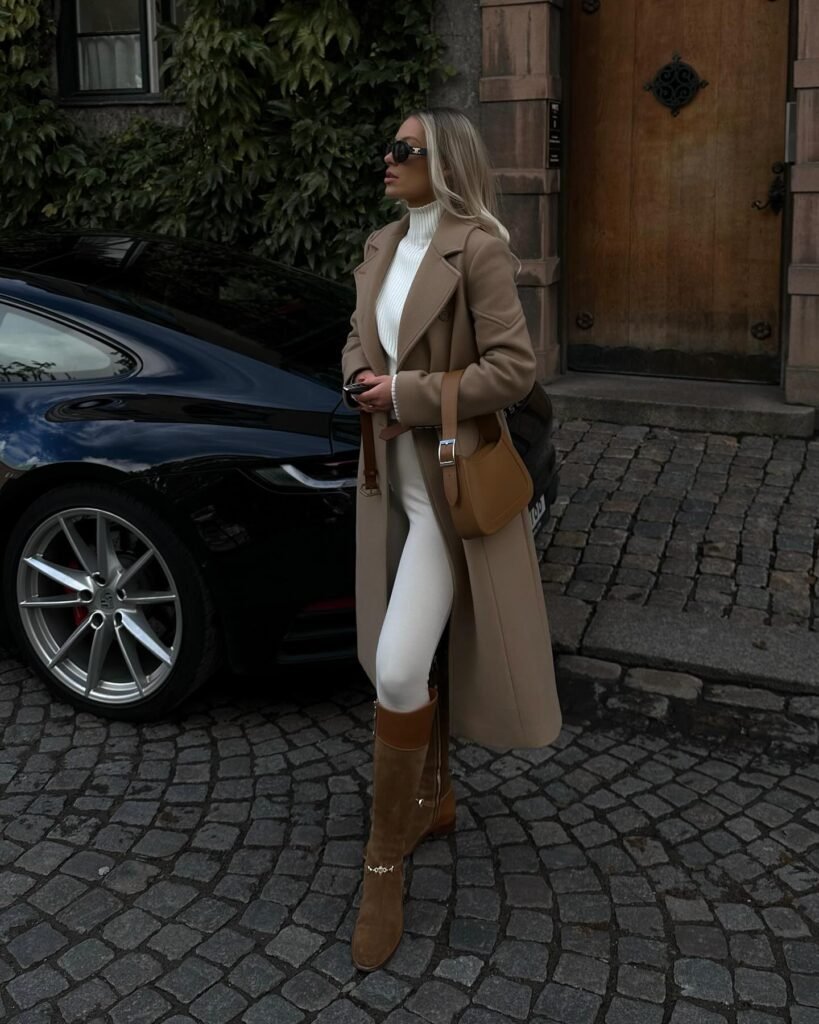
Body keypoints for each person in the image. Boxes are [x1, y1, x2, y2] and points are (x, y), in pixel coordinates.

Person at [341, 107, 562, 972]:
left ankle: (382, 864)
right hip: (384, 486)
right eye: (388, 145)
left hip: (446, 489)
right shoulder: (379, 244)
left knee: (397, 668)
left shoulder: (478, 247)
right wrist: (364, 379)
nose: (388, 158)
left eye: (405, 149)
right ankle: (434, 796)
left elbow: (513, 371)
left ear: (447, 163)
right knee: (397, 658)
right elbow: (360, 335)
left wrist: (406, 392)